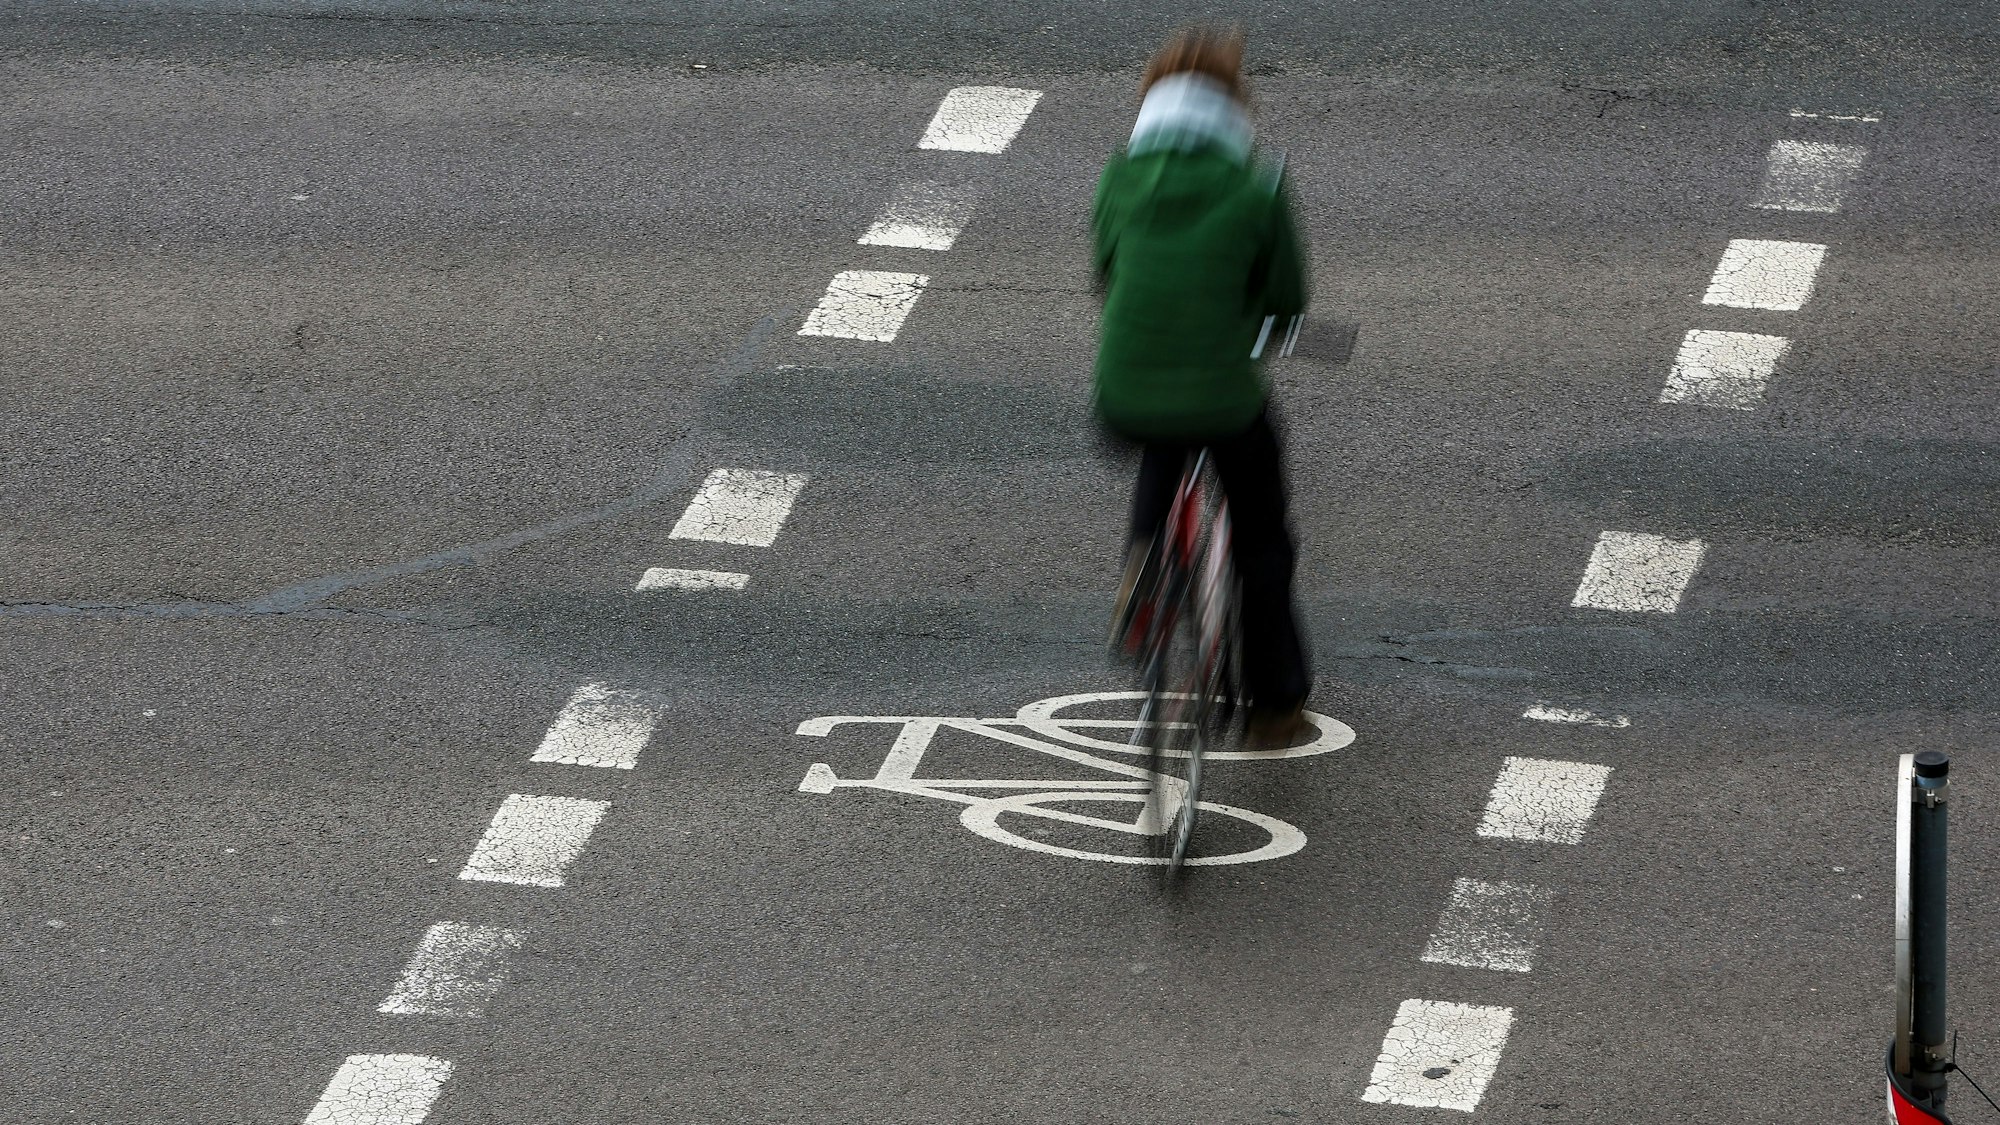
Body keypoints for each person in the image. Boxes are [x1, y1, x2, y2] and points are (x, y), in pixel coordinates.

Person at [1093, 26, 1312, 743]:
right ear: (1232, 111)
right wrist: (1263, 324)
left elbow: (1105, 270)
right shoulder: (1256, 186)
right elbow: (1285, 300)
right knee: (1260, 535)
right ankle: (1275, 702)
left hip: (1125, 391)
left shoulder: (1119, 175)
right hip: (1222, 395)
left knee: (1163, 438)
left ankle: (1143, 567)